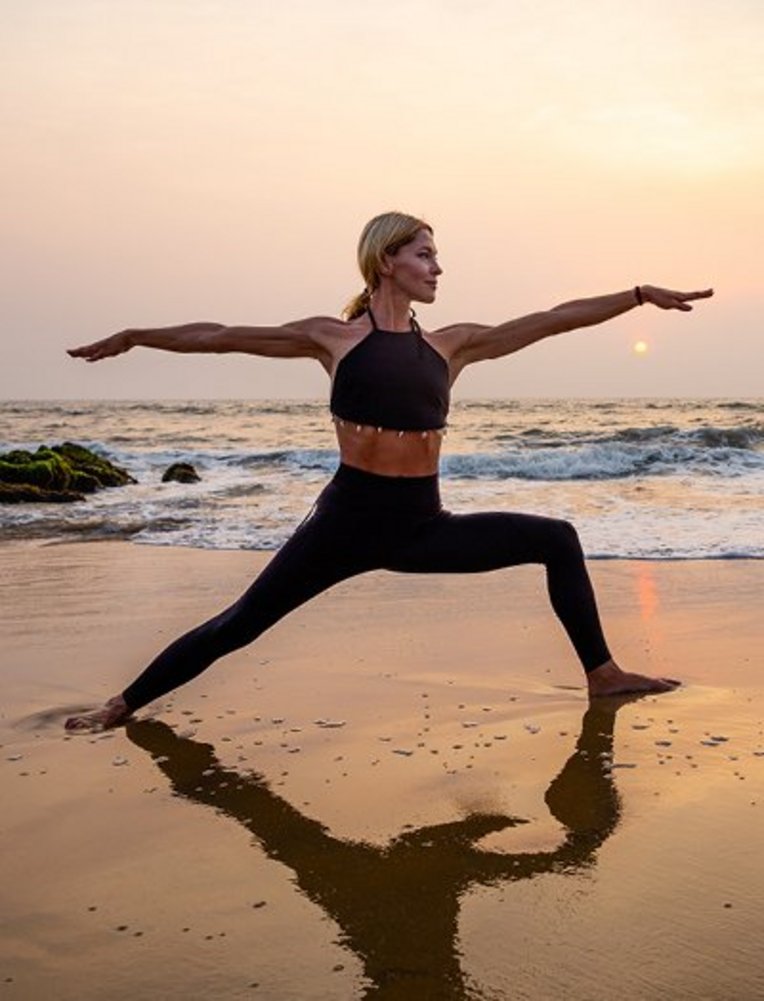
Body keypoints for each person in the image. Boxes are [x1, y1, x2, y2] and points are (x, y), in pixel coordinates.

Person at [65, 211, 713, 730]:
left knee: (557, 538)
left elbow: (548, 321)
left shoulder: (449, 346)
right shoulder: (335, 338)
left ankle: (603, 674)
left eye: (435, 254)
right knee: (239, 623)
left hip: (420, 527)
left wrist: (634, 297)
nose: (438, 267)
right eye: (425, 254)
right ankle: (120, 705)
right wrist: (137, 334)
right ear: (387, 262)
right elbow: (221, 333)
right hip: (342, 526)